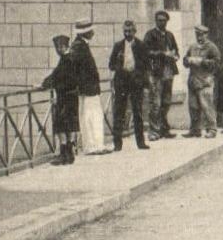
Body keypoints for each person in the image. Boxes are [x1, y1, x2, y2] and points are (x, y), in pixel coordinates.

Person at [108, 20, 149, 151]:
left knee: (138, 112)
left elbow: (146, 65)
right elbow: (111, 65)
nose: (127, 33)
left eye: (130, 31)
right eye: (125, 31)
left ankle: (140, 142)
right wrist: (119, 63)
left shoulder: (141, 45)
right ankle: (117, 144)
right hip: (121, 82)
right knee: (119, 112)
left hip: (136, 82)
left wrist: (140, 78)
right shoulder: (118, 46)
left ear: (135, 31)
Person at [68, 18, 106, 154]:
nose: (93, 32)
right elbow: (75, 68)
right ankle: (93, 146)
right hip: (88, 88)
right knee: (91, 116)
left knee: (90, 116)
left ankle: (94, 145)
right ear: (86, 32)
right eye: (91, 30)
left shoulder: (79, 45)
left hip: (88, 88)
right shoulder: (79, 46)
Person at [41, 35, 79, 165]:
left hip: (65, 97)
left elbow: (59, 77)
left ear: (65, 46)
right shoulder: (69, 58)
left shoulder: (67, 60)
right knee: (70, 124)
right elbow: (56, 75)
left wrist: (46, 85)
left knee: (61, 125)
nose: (59, 49)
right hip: (71, 96)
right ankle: (69, 154)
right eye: (58, 47)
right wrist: (45, 83)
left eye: (61, 46)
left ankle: (64, 155)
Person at [143, 9, 179, 139]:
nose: (161, 22)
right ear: (156, 21)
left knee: (166, 102)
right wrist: (162, 53)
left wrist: (175, 56)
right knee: (155, 103)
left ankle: (164, 129)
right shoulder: (150, 35)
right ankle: (153, 131)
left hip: (168, 72)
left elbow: (176, 50)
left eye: (164, 20)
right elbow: (145, 52)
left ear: (167, 21)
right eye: (159, 20)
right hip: (156, 72)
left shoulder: (170, 35)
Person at [183, 25, 220, 137]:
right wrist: (188, 61)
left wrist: (202, 61)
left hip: (205, 80)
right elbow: (185, 60)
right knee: (193, 106)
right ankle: (195, 130)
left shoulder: (212, 47)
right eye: (197, 34)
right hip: (193, 80)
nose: (199, 37)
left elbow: (217, 63)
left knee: (206, 105)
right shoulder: (192, 47)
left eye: (201, 34)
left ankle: (212, 129)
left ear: (206, 35)